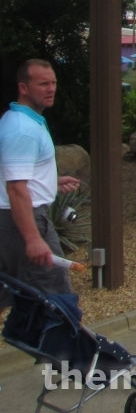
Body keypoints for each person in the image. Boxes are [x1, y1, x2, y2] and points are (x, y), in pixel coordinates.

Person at [0, 60, 80, 306]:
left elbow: (16, 176)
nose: (51, 89)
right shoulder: (22, 129)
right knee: (55, 300)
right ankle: (66, 345)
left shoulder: (21, 121)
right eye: (43, 83)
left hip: (15, 219)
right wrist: (33, 239)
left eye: (53, 83)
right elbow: (15, 188)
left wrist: (50, 182)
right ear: (23, 88)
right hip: (25, 220)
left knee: (16, 295)